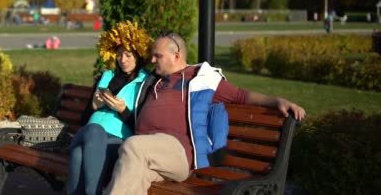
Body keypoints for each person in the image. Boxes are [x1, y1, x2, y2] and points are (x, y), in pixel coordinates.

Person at [104, 32, 306, 194]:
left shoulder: (201, 80)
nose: (152, 59)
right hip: (149, 155)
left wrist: (278, 101)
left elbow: (241, 96)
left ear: (176, 56)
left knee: (132, 146)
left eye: (158, 56)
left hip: (177, 154)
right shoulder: (154, 81)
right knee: (135, 175)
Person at [68, 21, 152, 195]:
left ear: (138, 56)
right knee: (94, 130)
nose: (123, 60)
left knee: (78, 154)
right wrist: (93, 106)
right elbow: (84, 119)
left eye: (128, 55)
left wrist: (123, 110)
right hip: (90, 132)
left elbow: (142, 126)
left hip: (117, 140)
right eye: (120, 55)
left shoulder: (145, 83)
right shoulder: (108, 75)